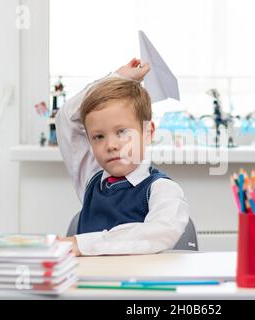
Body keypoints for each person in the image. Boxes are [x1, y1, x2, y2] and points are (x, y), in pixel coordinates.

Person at [56, 59, 189, 256]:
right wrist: (117, 79)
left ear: (148, 132)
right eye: (99, 137)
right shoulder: (91, 179)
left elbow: (160, 232)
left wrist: (84, 244)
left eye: (122, 132)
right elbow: (66, 118)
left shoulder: (162, 189)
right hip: (89, 284)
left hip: (138, 285)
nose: (111, 145)